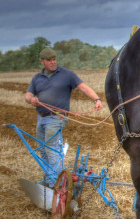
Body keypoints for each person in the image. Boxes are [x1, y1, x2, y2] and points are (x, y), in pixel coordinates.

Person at [24, 47, 103, 187]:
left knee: (51, 149)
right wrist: (31, 100)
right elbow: (28, 95)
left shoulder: (67, 75)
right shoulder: (37, 78)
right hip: (41, 117)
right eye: (49, 60)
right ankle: (50, 179)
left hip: (56, 118)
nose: (53, 62)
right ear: (42, 61)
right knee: (42, 149)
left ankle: (58, 184)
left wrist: (96, 99)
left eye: (54, 59)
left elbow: (83, 87)